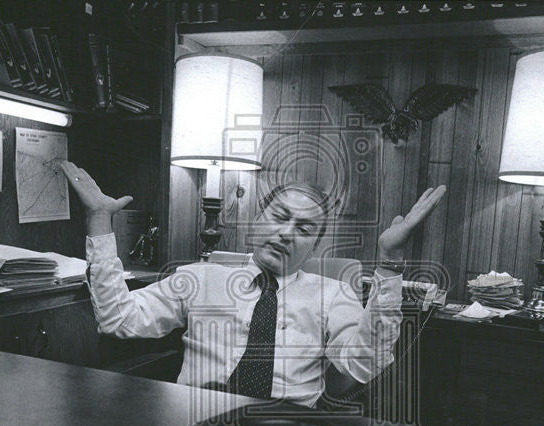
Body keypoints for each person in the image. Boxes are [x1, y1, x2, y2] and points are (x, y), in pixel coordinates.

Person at [63, 159, 445, 408]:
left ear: (314, 246)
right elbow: (117, 319)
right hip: (196, 419)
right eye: (279, 217)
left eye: (304, 229)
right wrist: (99, 220)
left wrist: (391, 263)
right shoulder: (200, 277)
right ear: (257, 218)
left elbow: (364, 363)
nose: (285, 233)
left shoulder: (334, 294)